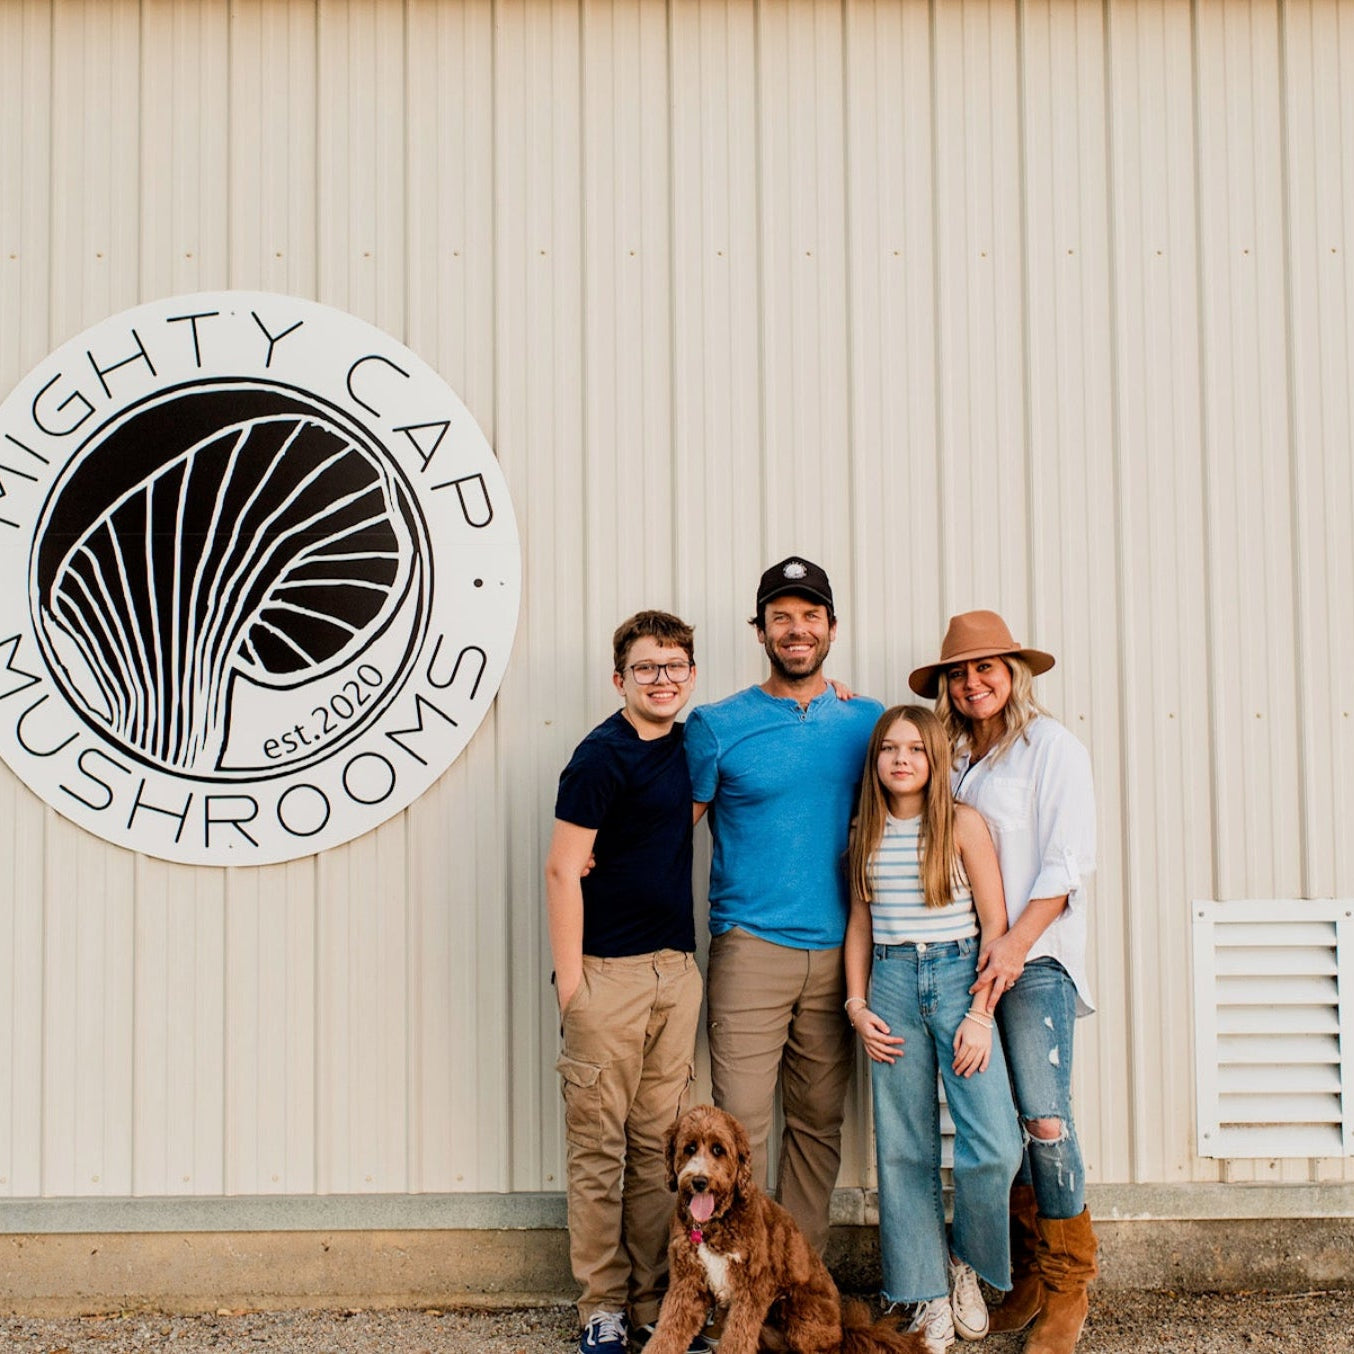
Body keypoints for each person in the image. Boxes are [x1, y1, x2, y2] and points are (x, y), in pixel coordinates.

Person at [909, 611, 1098, 1354]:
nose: (973, 681)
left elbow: (1065, 863)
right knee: (1003, 1119)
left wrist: (1016, 944)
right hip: (966, 958)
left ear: (1014, 673)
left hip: (1038, 957)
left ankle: (1067, 1286)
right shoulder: (950, 758)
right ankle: (1022, 1273)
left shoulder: (1052, 749)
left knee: (1046, 1118)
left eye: (987, 667)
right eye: (959, 672)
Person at [683, 556, 883, 1253]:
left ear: (831, 628)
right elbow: (672, 830)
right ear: (761, 631)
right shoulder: (717, 725)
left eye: (809, 617)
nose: (796, 630)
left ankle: (793, 1281)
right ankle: (732, 1276)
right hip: (751, 946)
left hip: (841, 954)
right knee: (737, 1129)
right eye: (781, 619)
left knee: (819, 1123)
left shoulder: (869, 721)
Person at [546, 611, 710, 1354]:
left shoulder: (691, 745)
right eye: (647, 668)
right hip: (606, 979)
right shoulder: (598, 757)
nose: (662, 679)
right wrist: (573, 987)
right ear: (621, 679)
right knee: (598, 1151)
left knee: (660, 1152)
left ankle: (656, 1300)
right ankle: (603, 1304)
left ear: (691, 675)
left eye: (674, 666)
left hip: (675, 974)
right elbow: (561, 867)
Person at [844, 704, 1022, 1353]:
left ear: (934, 759)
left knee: (996, 1142)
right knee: (904, 1148)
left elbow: (996, 927)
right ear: (877, 761)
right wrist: (857, 1006)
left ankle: (964, 1264)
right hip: (890, 982)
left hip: (956, 980)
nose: (901, 759)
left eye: (915, 749)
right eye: (889, 749)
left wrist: (980, 1014)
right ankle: (926, 1293)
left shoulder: (963, 825)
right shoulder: (865, 828)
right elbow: (860, 925)